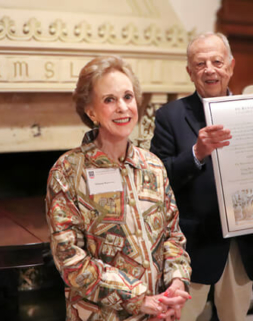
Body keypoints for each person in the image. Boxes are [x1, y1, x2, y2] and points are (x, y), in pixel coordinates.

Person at [46, 55, 192, 321]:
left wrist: (176, 283)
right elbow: (69, 259)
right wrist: (137, 298)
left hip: (159, 312)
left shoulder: (153, 166)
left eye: (128, 96)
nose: (123, 107)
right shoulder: (67, 170)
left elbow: (172, 236)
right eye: (109, 100)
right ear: (91, 112)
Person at [150, 32, 253, 321]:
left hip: (242, 242)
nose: (210, 69)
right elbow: (157, 179)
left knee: (234, 316)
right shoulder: (170, 116)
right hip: (191, 245)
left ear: (230, 66)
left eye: (217, 61)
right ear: (190, 72)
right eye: (200, 63)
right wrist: (196, 152)